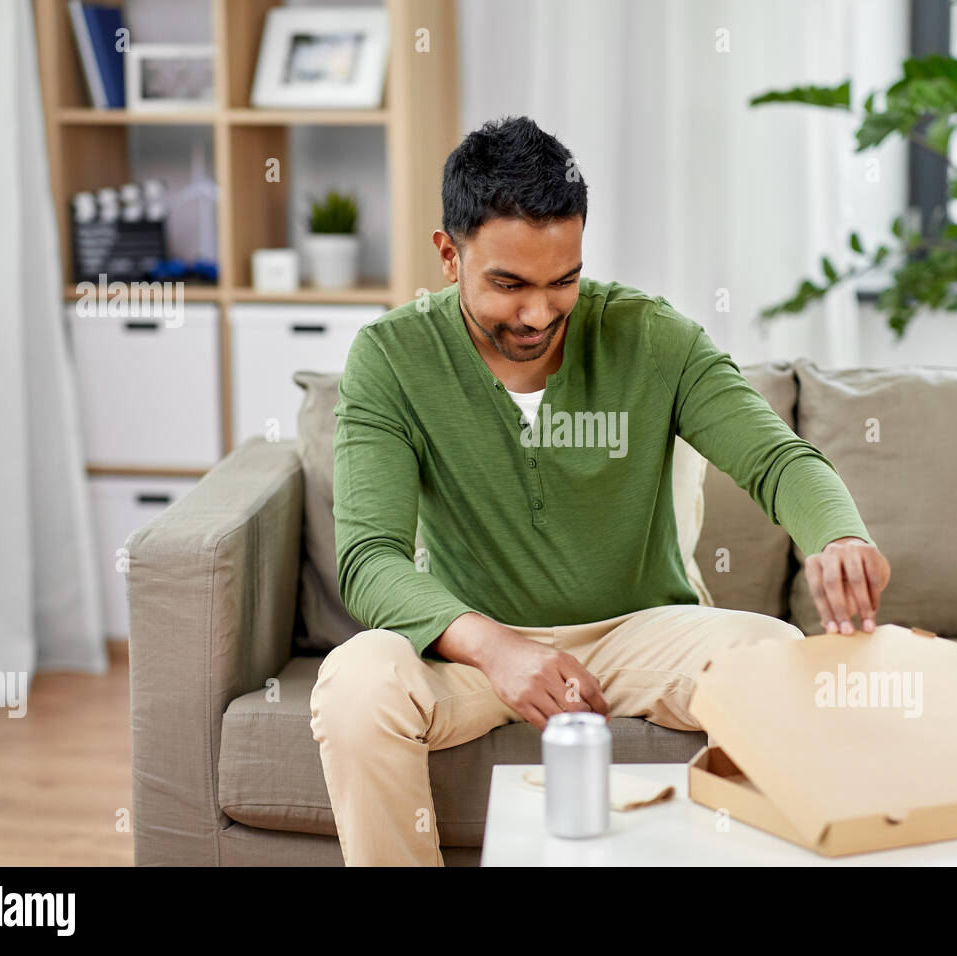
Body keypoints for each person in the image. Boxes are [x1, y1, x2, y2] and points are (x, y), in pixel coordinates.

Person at [309, 115, 891, 866]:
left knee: (779, 656)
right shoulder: (391, 358)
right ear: (449, 255)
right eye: (509, 284)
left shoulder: (651, 337)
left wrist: (839, 535)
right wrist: (496, 648)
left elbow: (777, 460)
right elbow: (370, 559)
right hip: (471, 648)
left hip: (639, 632)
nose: (540, 314)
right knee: (357, 685)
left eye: (564, 281)